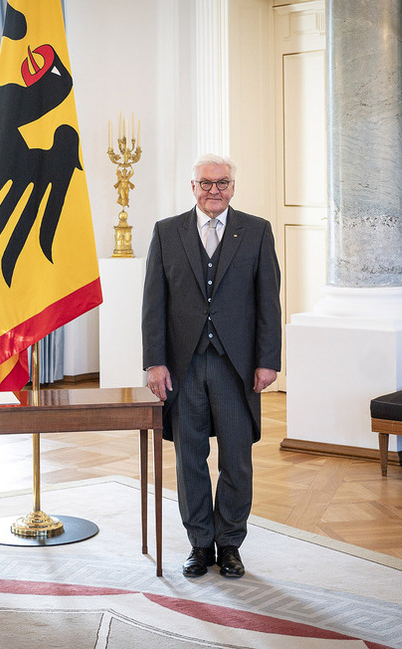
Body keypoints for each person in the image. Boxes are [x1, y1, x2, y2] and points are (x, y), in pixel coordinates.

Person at [141, 153, 281, 579]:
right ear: (193, 186)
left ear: (233, 187)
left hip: (234, 367)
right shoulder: (166, 233)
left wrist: (267, 361)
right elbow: (154, 304)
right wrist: (155, 363)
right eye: (206, 183)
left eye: (222, 183)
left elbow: (268, 303)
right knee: (190, 458)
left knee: (237, 459)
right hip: (183, 368)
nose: (214, 190)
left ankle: (231, 544)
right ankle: (200, 544)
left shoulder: (256, 231)